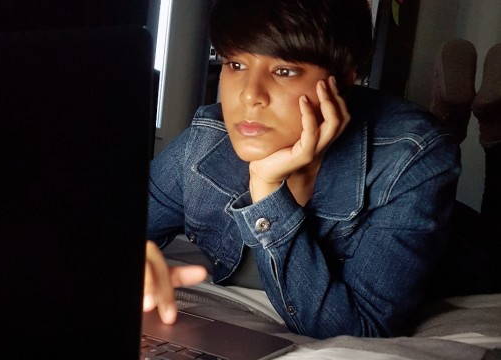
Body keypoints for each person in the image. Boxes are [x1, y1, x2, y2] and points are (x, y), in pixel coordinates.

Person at [144, 0, 461, 339]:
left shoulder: (412, 158)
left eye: (284, 71)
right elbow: (105, 227)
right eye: (236, 64)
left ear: (343, 81)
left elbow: (358, 331)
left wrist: (266, 189)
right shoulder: (207, 142)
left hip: (465, 247)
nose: (250, 95)